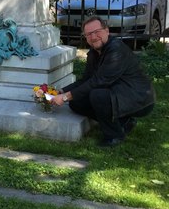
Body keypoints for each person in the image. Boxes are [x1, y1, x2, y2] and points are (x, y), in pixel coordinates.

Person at [51, 16, 155, 147]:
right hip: (119, 93)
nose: (93, 37)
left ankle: (114, 136)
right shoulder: (94, 53)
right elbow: (86, 80)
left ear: (107, 31)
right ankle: (124, 121)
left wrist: (65, 97)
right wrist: (61, 91)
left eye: (97, 31)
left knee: (98, 95)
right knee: (76, 102)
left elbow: (99, 81)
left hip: (139, 99)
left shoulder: (116, 50)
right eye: (89, 34)